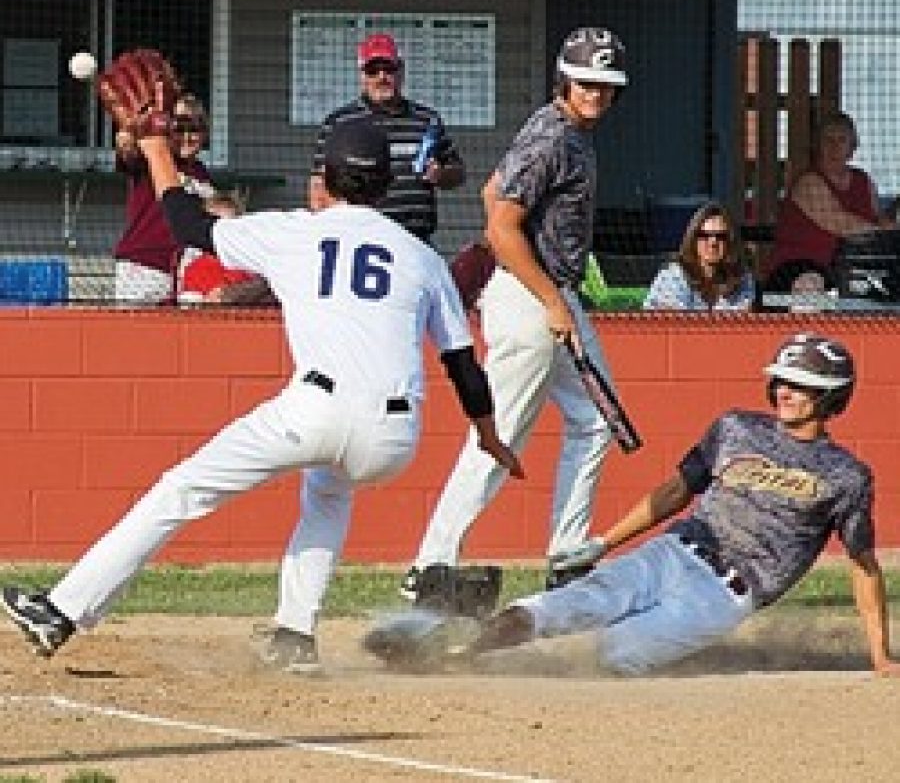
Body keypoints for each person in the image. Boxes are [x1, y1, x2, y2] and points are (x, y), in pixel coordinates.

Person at [0, 66, 521, 672]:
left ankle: (62, 609)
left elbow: (187, 225)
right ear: (385, 185)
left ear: (326, 179)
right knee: (328, 493)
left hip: (317, 409)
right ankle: (295, 636)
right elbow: (464, 367)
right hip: (393, 437)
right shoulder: (420, 256)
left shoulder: (294, 234)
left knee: (182, 489)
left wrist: (153, 147)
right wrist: (488, 436)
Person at [372, 333, 900, 679]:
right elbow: (675, 491)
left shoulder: (844, 475)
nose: (785, 391)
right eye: (781, 380)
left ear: (830, 397)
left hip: (727, 593)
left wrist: (879, 654)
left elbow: (862, 566)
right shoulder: (736, 427)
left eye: (801, 385)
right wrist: (603, 542)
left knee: (618, 654)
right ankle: (454, 649)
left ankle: (511, 666)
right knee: (565, 605)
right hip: (674, 550)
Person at [400, 27, 629, 603]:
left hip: (549, 293)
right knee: (499, 438)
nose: (596, 93)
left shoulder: (559, 129)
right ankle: (431, 565)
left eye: (605, 84)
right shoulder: (554, 138)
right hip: (533, 299)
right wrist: (551, 300)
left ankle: (567, 557)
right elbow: (500, 224)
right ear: (565, 79)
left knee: (597, 419)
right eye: (586, 82)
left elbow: (490, 190)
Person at [307, 33, 465, 243]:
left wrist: (440, 174)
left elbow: (457, 172)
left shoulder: (427, 120)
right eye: (373, 70)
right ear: (362, 75)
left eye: (389, 69)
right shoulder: (340, 122)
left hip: (415, 238)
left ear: (401, 71)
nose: (382, 77)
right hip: (359, 238)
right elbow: (319, 184)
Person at [766, 111, 896, 294]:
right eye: (828, 140)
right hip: (798, 271)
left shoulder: (864, 181)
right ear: (817, 146)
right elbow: (843, 224)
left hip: (850, 273)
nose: (834, 147)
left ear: (852, 148)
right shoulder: (808, 182)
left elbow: (880, 220)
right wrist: (888, 234)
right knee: (813, 288)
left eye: (841, 140)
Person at [113, 93, 214, 304]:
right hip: (143, 263)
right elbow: (128, 151)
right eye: (179, 129)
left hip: (181, 270)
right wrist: (129, 131)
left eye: (194, 129)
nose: (187, 137)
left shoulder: (201, 173)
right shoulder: (153, 159)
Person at [643, 201, 755, 310]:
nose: (712, 243)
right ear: (693, 239)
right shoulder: (674, 276)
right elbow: (673, 324)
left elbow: (741, 324)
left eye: (720, 236)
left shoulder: (742, 279)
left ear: (730, 240)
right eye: (704, 235)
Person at [174, 192, 273, 306]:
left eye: (229, 226)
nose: (222, 234)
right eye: (215, 226)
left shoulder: (252, 264)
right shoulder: (193, 269)